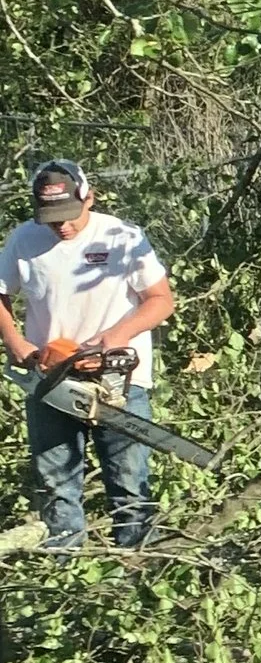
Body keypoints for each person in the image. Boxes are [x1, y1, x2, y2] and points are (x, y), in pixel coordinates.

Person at [0, 159, 176, 550]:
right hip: (51, 380)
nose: (61, 225)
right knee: (57, 488)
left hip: (118, 382)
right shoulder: (23, 240)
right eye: (51, 218)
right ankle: (67, 576)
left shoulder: (122, 237)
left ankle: (135, 572)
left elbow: (161, 300)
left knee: (130, 485)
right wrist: (15, 342)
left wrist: (116, 336)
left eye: (68, 215)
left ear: (89, 198)